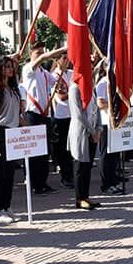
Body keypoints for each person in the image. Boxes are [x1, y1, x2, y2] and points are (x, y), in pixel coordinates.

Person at [21, 43, 65, 195]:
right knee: (34, 151)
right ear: (31, 53)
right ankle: (34, 183)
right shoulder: (28, 69)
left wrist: (60, 82)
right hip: (33, 114)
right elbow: (44, 58)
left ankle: (43, 181)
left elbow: (55, 82)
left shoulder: (43, 72)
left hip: (44, 114)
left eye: (41, 51)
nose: (40, 54)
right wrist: (63, 49)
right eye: (37, 52)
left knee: (44, 151)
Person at [0, 56, 25, 224]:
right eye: (7, 66)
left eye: (11, 67)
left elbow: (18, 115)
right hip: (1, 132)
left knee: (10, 173)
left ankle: (7, 205)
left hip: (14, 133)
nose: (10, 69)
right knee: (0, 173)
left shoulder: (14, 89)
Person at [68, 78, 101, 210]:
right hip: (81, 132)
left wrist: (98, 128)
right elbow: (78, 114)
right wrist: (92, 131)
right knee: (80, 166)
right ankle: (79, 198)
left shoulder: (90, 87)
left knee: (88, 166)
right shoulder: (74, 88)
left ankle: (86, 196)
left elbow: (96, 108)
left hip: (92, 132)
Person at [95, 69, 123, 195]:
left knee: (114, 154)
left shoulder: (117, 82)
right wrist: (115, 105)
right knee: (105, 154)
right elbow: (100, 103)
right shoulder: (102, 83)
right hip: (106, 121)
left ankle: (114, 179)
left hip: (116, 121)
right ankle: (106, 184)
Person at [49, 53, 74, 189]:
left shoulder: (71, 73)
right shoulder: (55, 76)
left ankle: (71, 174)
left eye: (67, 58)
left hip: (72, 114)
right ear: (57, 60)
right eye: (63, 58)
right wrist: (73, 92)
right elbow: (61, 96)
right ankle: (65, 176)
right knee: (63, 149)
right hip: (61, 115)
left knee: (71, 148)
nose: (66, 60)